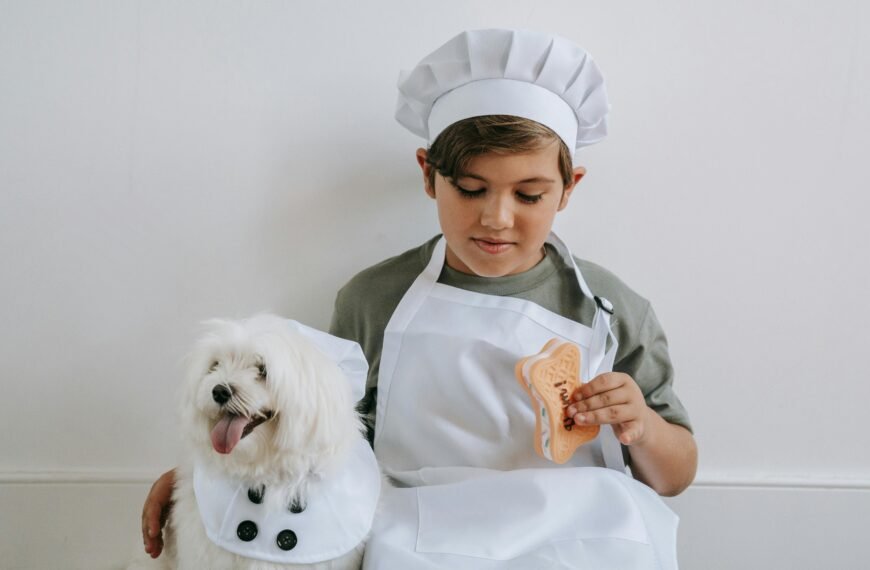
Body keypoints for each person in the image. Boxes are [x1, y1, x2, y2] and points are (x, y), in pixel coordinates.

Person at [142, 29, 697, 568]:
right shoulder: (372, 300)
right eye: (471, 189)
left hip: (577, 533)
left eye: (529, 194)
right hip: (417, 533)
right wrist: (205, 477)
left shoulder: (609, 310)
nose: (496, 218)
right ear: (429, 175)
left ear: (569, 187)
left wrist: (640, 425)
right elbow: (312, 437)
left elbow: (674, 477)